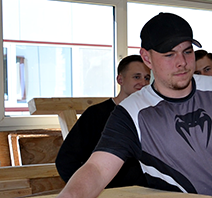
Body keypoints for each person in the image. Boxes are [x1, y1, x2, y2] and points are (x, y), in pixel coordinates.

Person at [24, 12, 212, 198]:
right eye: (169, 54)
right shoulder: (131, 112)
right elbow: (97, 168)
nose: (182, 62)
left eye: (187, 51)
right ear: (147, 58)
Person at [55, 55, 150, 188]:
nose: (143, 82)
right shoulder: (95, 114)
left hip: (143, 193)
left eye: (147, 78)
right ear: (120, 79)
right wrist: (84, 189)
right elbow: (66, 160)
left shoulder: (150, 116)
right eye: (136, 77)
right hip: (105, 194)